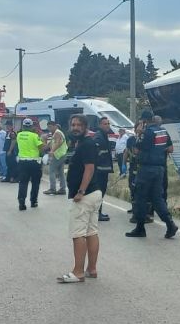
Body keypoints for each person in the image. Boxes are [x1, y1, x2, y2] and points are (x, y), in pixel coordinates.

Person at [56, 113, 104, 284]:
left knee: (78, 234)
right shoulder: (83, 143)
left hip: (85, 195)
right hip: (94, 193)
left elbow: (89, 169)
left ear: (85, 127)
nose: (75, 128)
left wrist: (81, 191)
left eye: (79, 125)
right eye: (73, 124)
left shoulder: (86, 145)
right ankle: (91, 269)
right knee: (91, 232)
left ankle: (78, 272)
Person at [125, 110, 178, 239]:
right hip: (160, 169)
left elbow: (137, 150)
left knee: (140, 198)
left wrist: (138, 134)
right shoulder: (163, 131)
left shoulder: (147, 133)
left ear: (144, 120)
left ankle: (140, 228)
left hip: (146, 169)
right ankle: (170, 224)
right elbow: (170, 148)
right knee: (157, 199)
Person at [16, 118, 44, 211]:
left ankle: (21, 202)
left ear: (23, 126)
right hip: (34, 162)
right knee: (35, 182)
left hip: (22, 162)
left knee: (23, 182)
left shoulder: (19, 135)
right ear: (32, 126)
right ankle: (33, 201)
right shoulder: (34, 136)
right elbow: (41, 147)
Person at [94, 117, 115, 221]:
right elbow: (95, 154)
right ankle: (97, 213)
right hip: (99, 170)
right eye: (105, 124)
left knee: (101, 192)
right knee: (99, 192)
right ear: (100, 125)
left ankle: (99, 212)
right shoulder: (99, 137)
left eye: (108, 123)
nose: (107, 126)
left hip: (103, 170)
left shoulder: (103, 135)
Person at [124, 120, 143, 216]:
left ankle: (142, 209)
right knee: (132, 187)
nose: (139, 129)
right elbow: (127, 151)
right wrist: (124, 165)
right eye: (138, 127)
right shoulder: (130, 139)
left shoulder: (144, 139)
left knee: (140, 188)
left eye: (141, 127)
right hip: (132, 166)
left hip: (142, 167)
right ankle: (134, 206)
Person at [43, 121, 67, 195]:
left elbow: (58, 142)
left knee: (51, 171)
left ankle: (52, 189)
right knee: (61, 172)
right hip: (61, 154)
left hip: (58, 155)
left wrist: (52, 151)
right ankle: (63, 189)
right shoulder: (55, 133)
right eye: (48, 127)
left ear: (55, 126)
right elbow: (49, 144)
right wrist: (44, 143)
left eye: (50, 127)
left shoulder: (57, 133)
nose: (49, 128)